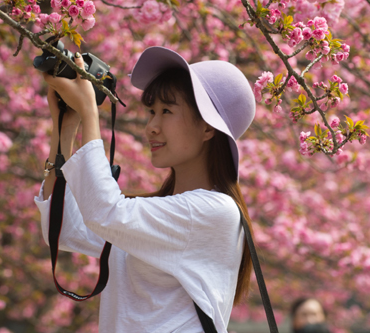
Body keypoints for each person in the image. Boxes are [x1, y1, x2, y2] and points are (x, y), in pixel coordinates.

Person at [34, 46, 257, 333]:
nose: (151, 126)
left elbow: (105, 212)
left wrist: (90, 111)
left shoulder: (216, 212)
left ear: (207, 128)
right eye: (151, 111)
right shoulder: (163, 214)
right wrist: (66, 127)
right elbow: (65, 229)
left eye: (166, 110)